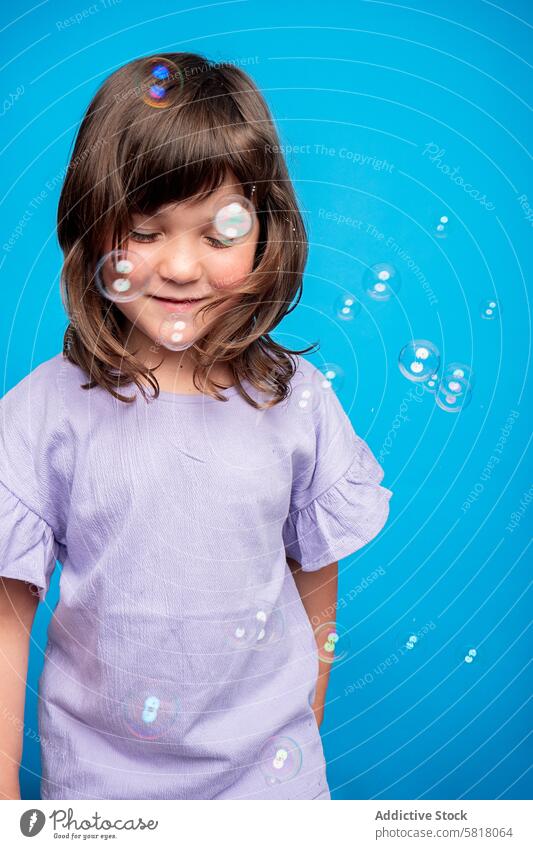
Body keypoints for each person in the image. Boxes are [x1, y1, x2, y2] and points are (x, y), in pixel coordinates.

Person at [0, 52, 393, 800]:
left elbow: (317, 598)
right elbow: (3, 633)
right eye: (146, 232)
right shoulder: (40, 415)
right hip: (101, 800)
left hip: (268, 795)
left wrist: (290, 771)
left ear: (265, 232)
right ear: (93, 229)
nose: (180, 267)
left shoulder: (296, 402)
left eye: (218, 234)